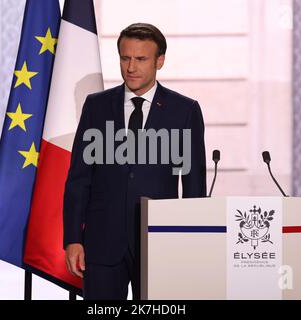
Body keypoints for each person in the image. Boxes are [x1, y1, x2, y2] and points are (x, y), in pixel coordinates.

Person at [63, 23, 206, 300]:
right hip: (102, 243)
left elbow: (193, 184)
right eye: (125, 58)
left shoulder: (184, 110)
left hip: (160, 245)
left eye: (140, 59)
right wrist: (72, 238)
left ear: (159, 61)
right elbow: (79, 179)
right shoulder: (96, 106)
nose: (131, 67)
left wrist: (191, 242)